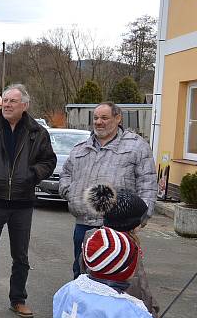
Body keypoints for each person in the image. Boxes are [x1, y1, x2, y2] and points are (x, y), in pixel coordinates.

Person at [0, 84, 56, 318]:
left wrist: (33, 174)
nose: (6, 105)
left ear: (24, 106)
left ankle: (18, 299)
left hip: (22, 202)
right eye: (5, 100)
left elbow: (49, 161)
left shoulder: (37, 132)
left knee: (21, 256)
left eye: (12, 101)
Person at [59, 102, 157, 280]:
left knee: (118, 277)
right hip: (84, 224)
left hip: (120, 227)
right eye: (95, 118)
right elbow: (65, 174)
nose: (98, 122)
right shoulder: (81, 148)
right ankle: (82, 307)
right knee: (81, 272)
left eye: (104, 118)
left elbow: (148, 183)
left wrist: (142, 217)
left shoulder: (136, 146)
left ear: (118, 118)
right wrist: (71, 192)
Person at [83, 184, 160, 318]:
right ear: (131, 223)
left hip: (93, 308)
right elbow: (140, 286)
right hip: (124, 312)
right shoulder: (129, 249)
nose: (142, 224)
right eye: (141, 220)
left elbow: (83, 271)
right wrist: (150, 313)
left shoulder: (92, 238)